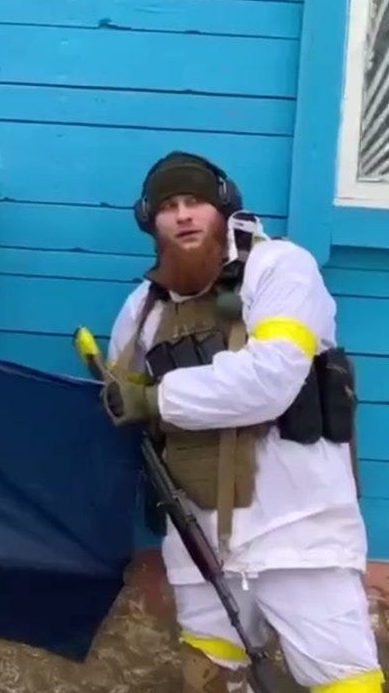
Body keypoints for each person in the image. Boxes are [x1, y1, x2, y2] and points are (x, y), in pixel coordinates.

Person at [100, 151, 384, 693]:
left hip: (295, 526)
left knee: (342, 678)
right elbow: (119, 394)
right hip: (197, 532)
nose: (184, 215)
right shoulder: (144, 308)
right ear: (150, 222)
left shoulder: (280, 268)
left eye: (196, 202)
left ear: (224, 207)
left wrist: (155, 399)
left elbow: (271, 378)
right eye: (169, 207)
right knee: (210, 670)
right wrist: (118, 398)